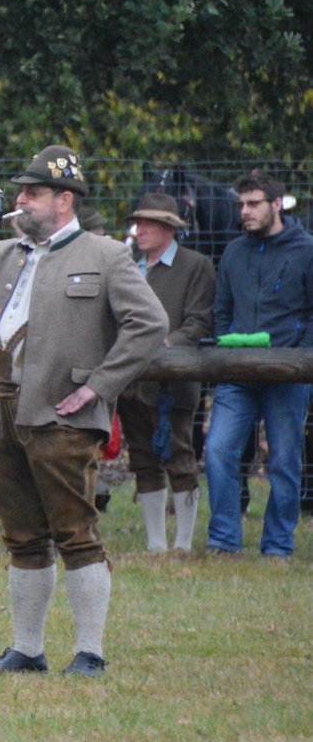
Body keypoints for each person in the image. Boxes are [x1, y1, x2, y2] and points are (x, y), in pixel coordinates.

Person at [0, 145, 166, 677]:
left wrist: (99, 386)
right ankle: (27, 649)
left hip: (63, 414)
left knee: (76, 532)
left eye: (32, 194)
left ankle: (90, 652)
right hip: (0, 406)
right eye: (21, 192)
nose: (20, 201)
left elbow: (150, 325)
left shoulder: (106, 255)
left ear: (65, 200)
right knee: (21, 535)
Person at [203, 172, 313, 557]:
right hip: (237, 373)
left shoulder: (307, 251)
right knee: (218, 450)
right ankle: (223, 540)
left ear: (277, 204)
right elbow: (222, 309)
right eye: (241, 204)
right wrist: (226, 352)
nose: (244, 211)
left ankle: (278, 546)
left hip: (289, 374)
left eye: (253, 204)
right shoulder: (233, 252)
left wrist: (301, 359)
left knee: (284, 460)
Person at [117, 194, 214, 551]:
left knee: (180, 457)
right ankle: (156, 544)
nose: (139, 230)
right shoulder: (128, 264)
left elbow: (200, 321)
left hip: (172, 382)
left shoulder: (196, 265)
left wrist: (167, 344)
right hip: (128, 381)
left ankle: (183, 544)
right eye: (137, 222)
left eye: (149, 224)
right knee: (142, 457)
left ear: (170, 229)